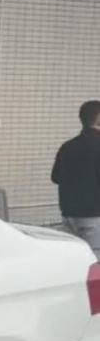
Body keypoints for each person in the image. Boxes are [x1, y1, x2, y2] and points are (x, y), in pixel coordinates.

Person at [51, 100, 100, 259]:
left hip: (69, 215)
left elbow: (55, 177)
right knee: (95, 262)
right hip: (94, 217)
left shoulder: (67, 147)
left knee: (76, 261)